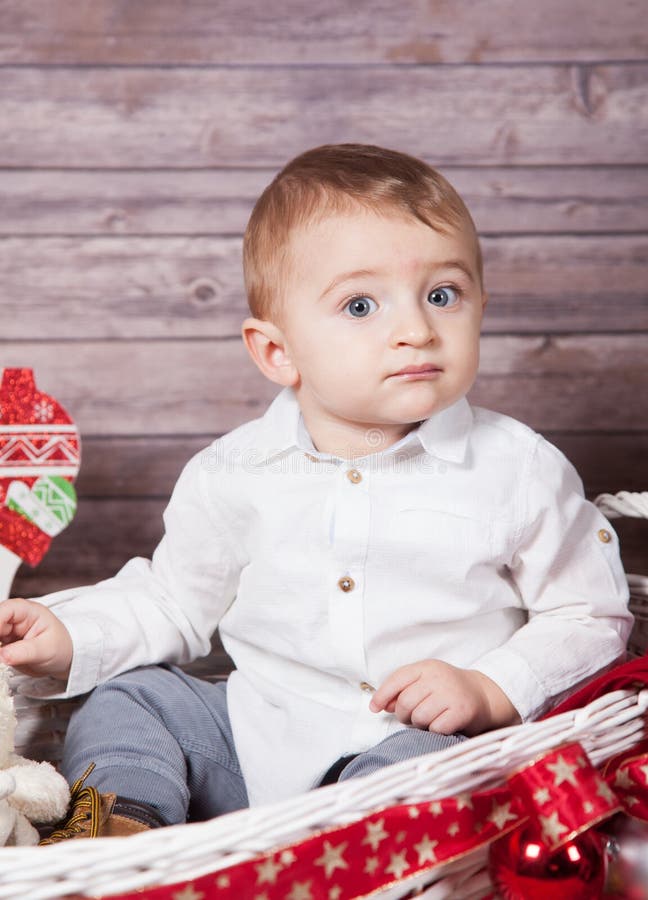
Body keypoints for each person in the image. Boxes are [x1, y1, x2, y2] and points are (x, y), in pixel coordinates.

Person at [0, 143, 632, 840]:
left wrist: (491, 688)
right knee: (130, 701)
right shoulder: (236, 472)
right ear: (278, 353)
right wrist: (69, 638)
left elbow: (590, 614)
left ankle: (343, 859)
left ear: (480, 304)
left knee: (429, 774)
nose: (416, 329)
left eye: (443, 295)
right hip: (256, 746)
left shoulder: (517, 470)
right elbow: (173, 603)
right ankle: (123, 833)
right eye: (361, 305)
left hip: (423, 748)